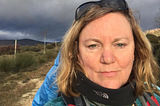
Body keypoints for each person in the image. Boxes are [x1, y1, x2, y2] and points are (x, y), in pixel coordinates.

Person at [38, 0, 160, 105]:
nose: (107, 59)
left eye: (120, 44)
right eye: (93, 45)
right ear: (77, 53)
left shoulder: (155, 99)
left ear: (136, 50)